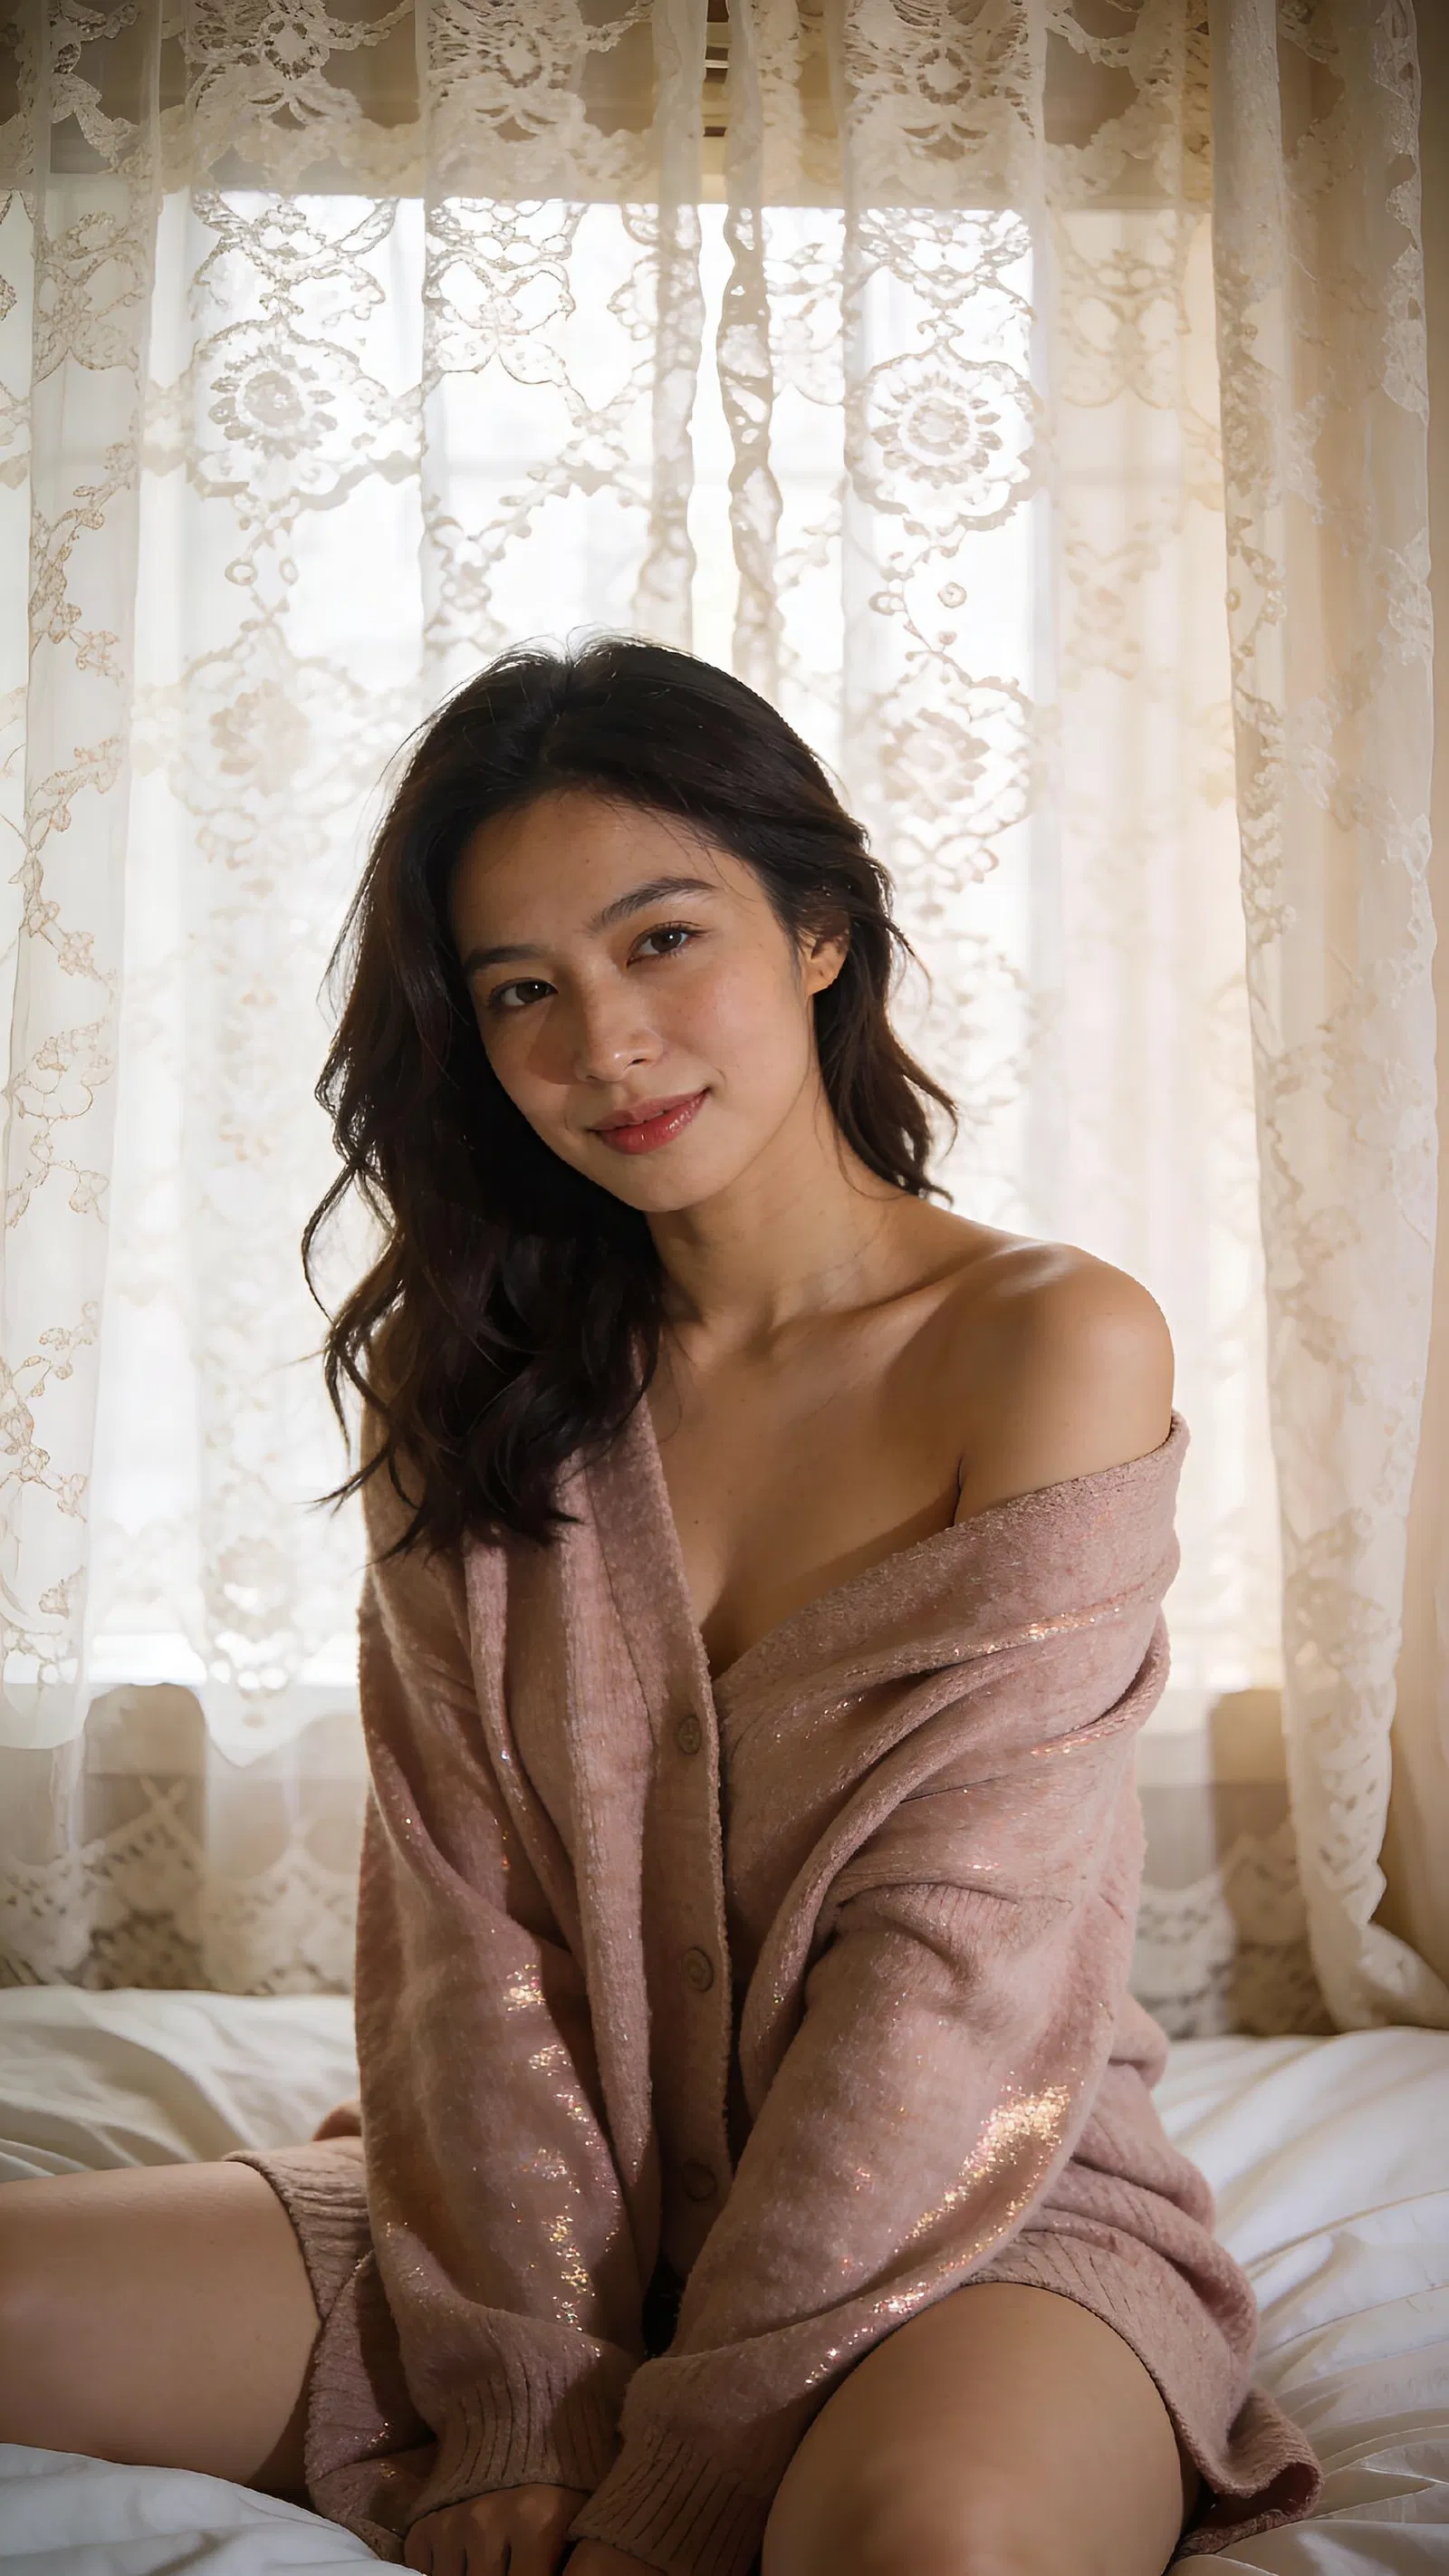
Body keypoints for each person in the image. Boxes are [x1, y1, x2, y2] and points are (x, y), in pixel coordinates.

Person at [0, 637, 1319, 2576]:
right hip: (531, 2222)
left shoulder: (1043, 1345)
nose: (599, 1043)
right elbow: (468, 1933)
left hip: (972, 2207)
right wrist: (522, 2391)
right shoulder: (463, 1376)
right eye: (518, 989)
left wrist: (683, 2463)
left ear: (814, 934)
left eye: (659, 940)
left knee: (931, 2548)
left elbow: (949, 1976)